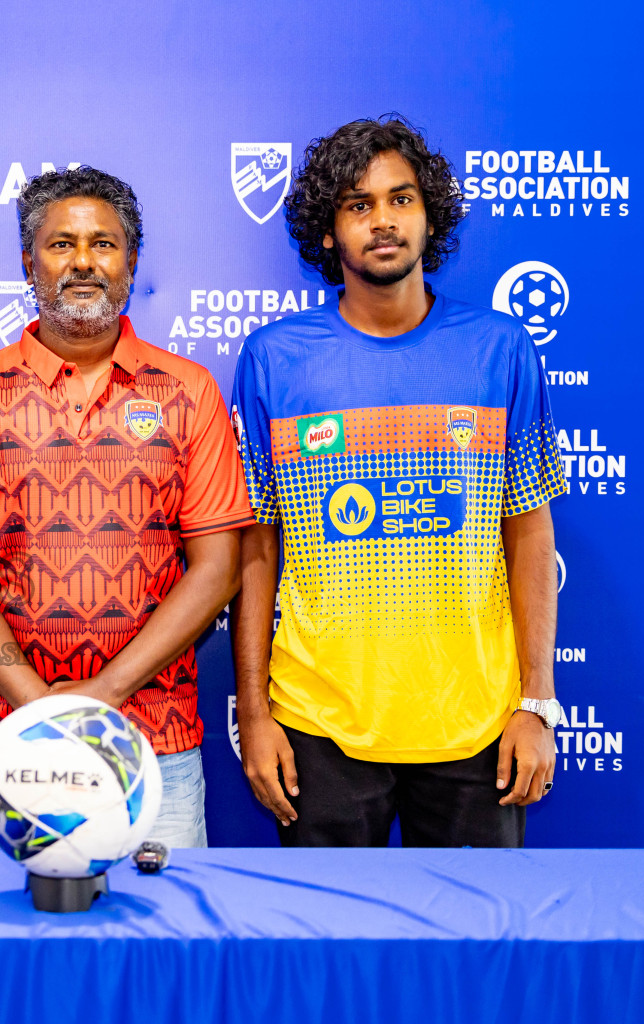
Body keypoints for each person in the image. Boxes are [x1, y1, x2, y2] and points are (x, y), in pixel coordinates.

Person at [229, 116, 566, 847]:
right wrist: (255, 714)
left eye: (400, 198)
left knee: (472, 960)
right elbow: (254, 548)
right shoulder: (275, 360)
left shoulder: (500, 349)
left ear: (429, 215)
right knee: (325, 957)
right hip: (317, 723)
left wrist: (536, 703)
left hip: (477, 723)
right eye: (358, 205)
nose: (382, 220)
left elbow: (531, 531)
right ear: (328, 232)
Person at [0, 166, 252, 849]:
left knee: (161, 948)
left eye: (103, 243)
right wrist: (40, 712)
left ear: (131, 262)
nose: (82, 262)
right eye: (60, 244)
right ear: (27, 262)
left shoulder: (189, 392)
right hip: (2, 736)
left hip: (154, 738)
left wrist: (103, 696)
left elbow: (217, 570)